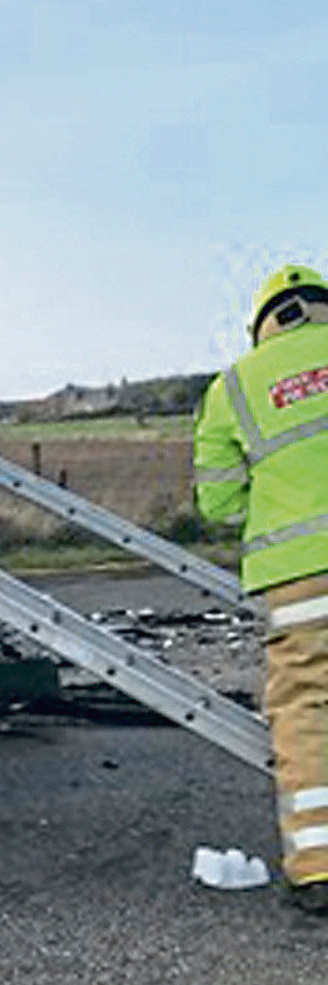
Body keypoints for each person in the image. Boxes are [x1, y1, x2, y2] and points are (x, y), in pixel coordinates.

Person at [194, 263, 328, 911]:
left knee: (305, 708)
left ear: (263, 324)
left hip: (300, 577)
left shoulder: (234, 387)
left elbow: (217, 503)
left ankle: (319, 866)